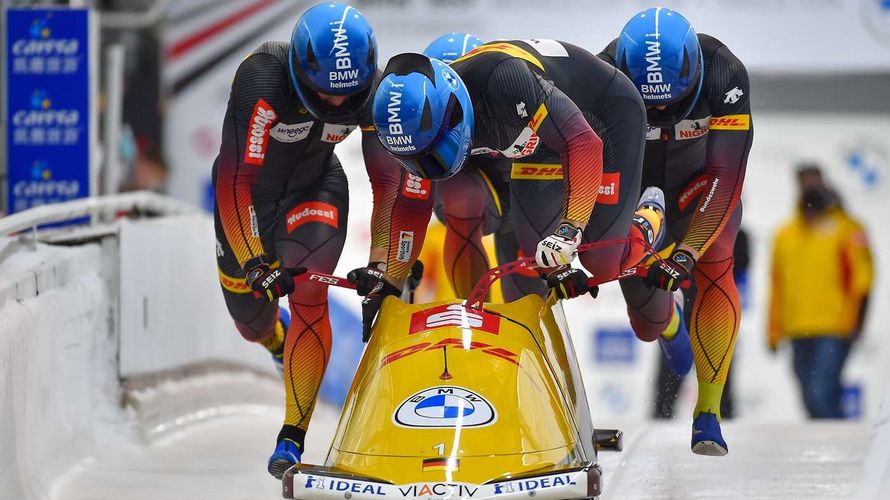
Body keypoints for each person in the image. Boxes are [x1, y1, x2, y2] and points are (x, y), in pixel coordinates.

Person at [212, 3, 427, 479]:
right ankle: (274, 340)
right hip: (250, 198)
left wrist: (380, 262)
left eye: (345, 93)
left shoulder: (372, 91)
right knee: (250, 318)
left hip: (317, 186)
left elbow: (387, 181)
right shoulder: (262, 79)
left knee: (311, 292)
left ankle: (292, 435)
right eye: (324, 92)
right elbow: (235, 180)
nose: (335, 103)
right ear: (299, 71)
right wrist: (252, 261)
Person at [599, 8, 754, 455]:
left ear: (694, 72)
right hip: (634, 196)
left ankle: (708, 412)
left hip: (700, 188)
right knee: (646, 323)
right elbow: (597, 174)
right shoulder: (601, 77)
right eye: (652, 106)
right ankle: (668, 327)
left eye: (672, 100)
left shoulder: (724, 72)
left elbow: (727, 175)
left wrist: (686, 253)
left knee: (716, 258)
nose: (664, 111)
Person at [768, 164, 873, 419]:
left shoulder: (846, 228)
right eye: (804, 182)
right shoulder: (785, 234)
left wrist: (856, 321)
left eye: (815, 182)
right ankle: (834, 453)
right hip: (797, 329)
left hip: (834, 327)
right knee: (810, 399)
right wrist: (773, 329)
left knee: (820, 393)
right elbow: (777, 285)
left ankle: (841, 449)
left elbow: (863, 279)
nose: (810, 188)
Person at [652, 227, 750, 419]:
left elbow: (742, 265)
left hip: (714, 314)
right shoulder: (678, 228)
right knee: (669, 374)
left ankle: (722, 415)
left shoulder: (736, 234)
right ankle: (661, 415)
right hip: (685, 309)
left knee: (720, 374)